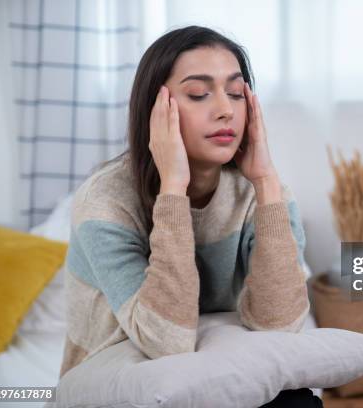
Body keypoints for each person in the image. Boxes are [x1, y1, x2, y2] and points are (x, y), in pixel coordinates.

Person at [57, 25, 322, 406]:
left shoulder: (263, 193)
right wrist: (173, 189)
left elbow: (279, 324)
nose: (225, 110)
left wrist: (265, 182)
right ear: (156, 109)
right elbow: (167, 339)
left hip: (219, 379)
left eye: (236, 93)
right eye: (199, 94)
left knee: (296, 401)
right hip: (115, 385)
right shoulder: (105, 201)